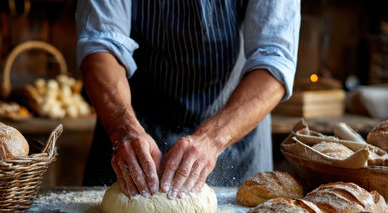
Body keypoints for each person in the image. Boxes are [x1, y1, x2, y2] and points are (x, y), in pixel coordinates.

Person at [76, 1, 300, 199]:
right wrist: (123, 129)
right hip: (128, 132)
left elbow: (274, 59)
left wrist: (212, 139)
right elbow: (100, 44)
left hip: (233, 134)